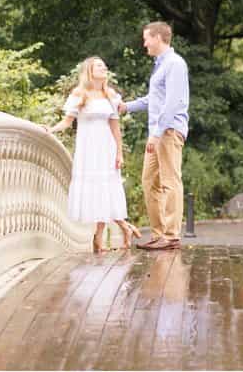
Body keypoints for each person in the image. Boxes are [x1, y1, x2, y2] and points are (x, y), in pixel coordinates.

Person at [45, 56, 141, 252]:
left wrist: (119, 153)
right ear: (89, 70)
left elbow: (115, 128)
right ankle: (120, 228)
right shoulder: (80, 94)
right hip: (88, 149)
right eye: (99, 66)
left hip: (106, 147)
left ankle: (100, 236)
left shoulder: (110, 95)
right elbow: (67, 122)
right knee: (94, 189)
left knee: (106, 188)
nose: (104, 68)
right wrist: (51, 130)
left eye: (104, 66)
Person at [117, 21, 189, 251]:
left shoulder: (175, 64)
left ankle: (171, 235)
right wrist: (126, 107)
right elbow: (154, 100)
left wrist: (157, 134)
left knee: (170, 182)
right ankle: (159, 234)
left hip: (167, 131)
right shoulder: (161, 65)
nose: (144, 43)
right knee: (149, 182)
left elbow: (172, 102)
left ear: (158, 38)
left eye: (147, 38)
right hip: (158, 132)